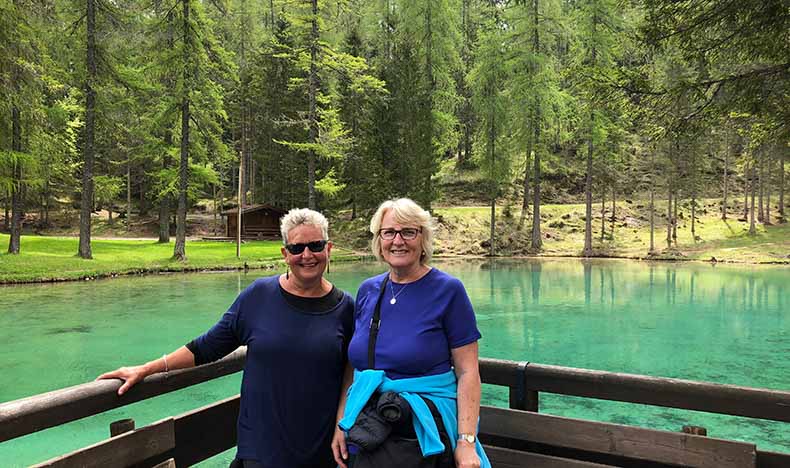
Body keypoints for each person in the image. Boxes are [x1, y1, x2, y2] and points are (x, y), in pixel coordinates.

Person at [97, 208, 354, 468]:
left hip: (321, 448)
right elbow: (207, 347)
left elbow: (350, 370)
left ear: (329, 248)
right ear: (285, 254)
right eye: (297, 248)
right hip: (262, 448)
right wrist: (146, 369)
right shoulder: (258, 297)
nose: (307, 255)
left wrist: (341, 424)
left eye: (316, 245)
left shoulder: (346, 309)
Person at [333, 198, 489, 468]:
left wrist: (466, 441)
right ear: (379, 240)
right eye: (389, 232)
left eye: (408, 232)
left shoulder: (448, 291)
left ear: (423, 239)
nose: (398, 241)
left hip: (419, 433)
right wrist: (341, 422)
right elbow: (356, 367)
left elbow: (467, 372)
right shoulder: (368, 290)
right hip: (368, 427)